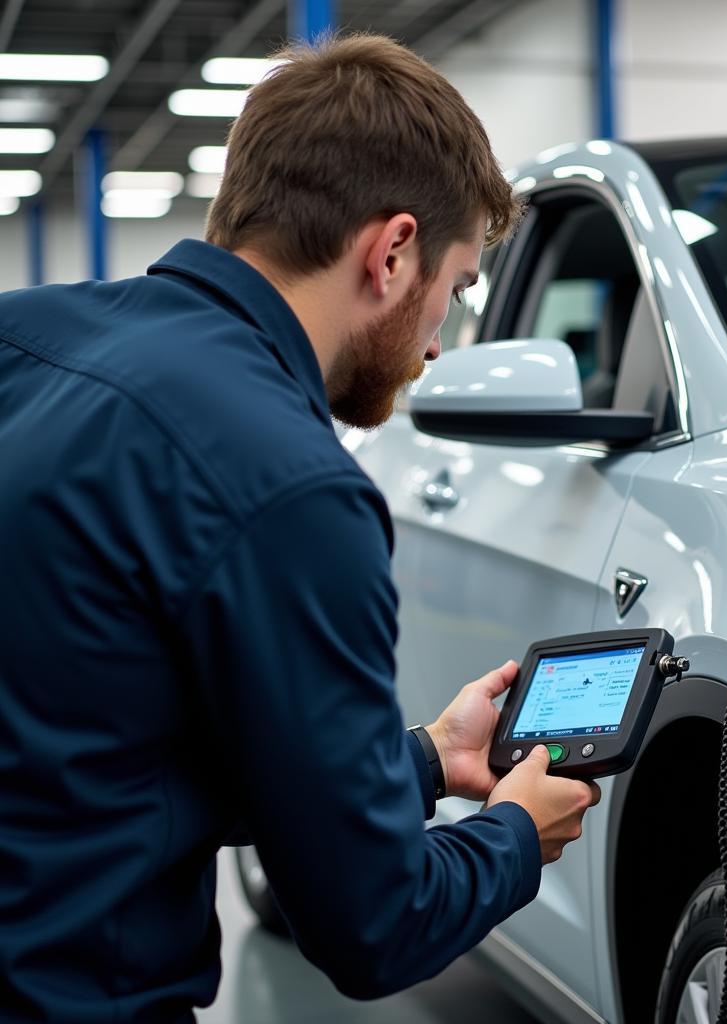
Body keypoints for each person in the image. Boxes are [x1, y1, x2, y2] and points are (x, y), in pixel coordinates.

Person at [0, 32, 600, 1023]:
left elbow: (107, 740)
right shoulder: (293, 487)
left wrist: (423, 758)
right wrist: (510, 833)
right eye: (452, 289)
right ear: (392, 250)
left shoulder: (23, 334)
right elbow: (373, 924)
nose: (440, 340)